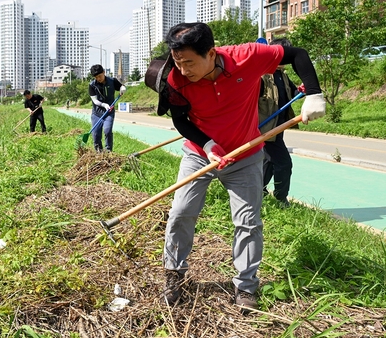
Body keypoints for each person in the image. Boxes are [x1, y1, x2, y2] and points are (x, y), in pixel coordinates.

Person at [144, 23, 325, 311]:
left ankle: (246, 287)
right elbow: (181, 122)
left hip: (245, 155)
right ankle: (174, 274)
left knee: (248, 222)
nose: (183, 69)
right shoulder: (175, 80)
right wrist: (208, 146)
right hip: (200, 154)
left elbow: (298, 54)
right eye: (178, 62)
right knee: (180, 212)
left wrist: (314, 93)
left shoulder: (247, 57)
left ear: (212, 53)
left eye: (189, 62)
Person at [259, 38, 300, 207]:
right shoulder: (262, 75)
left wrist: (302, 90)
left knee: (269, 161)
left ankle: (258, 191)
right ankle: (281, 199)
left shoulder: (282, 75)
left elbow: (294, 91)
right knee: (284, 163)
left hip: (279, 126)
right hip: (266, 128)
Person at [88, 64, 126, 152]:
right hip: (97, 113)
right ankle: (98, 152)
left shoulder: (112, 81)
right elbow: (95, 101)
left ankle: (108, 151)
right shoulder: (92, 85)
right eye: (96, 77)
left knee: (107, 131)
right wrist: (104, 105)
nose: (98, 79)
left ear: (104, 72)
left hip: (109, 112)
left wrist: (123, 88)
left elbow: (121, 86)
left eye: (100, 76)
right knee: (96, 134)